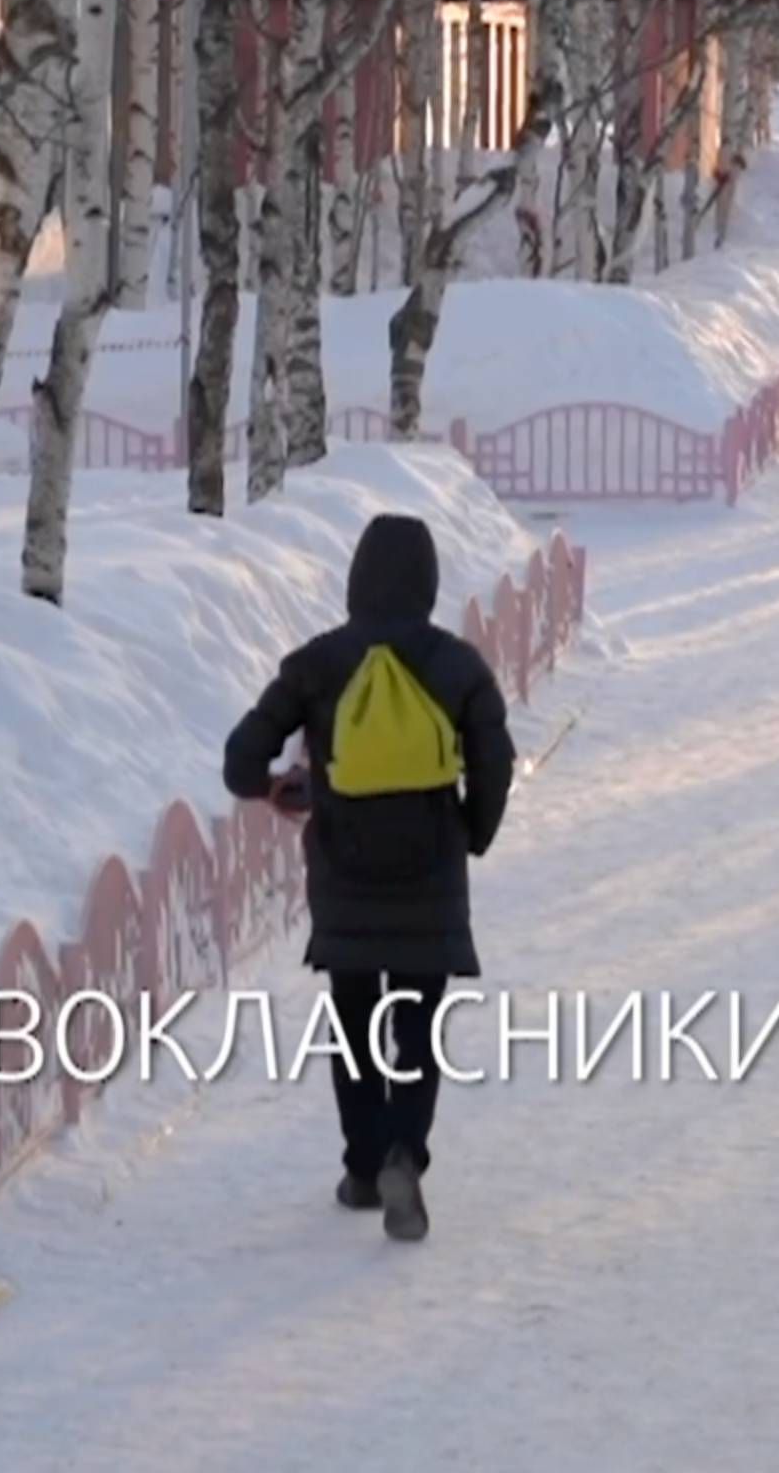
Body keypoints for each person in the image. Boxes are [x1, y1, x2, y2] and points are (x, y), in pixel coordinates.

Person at [223, 514, 515, 1243]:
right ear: (427, 584)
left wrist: (289, 789)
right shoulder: (457, 666)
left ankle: (359, 1169)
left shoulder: (316, 664)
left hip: (344, 874)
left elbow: (239, 760)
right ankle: (403, 1156)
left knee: (353, 1022)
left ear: (356, 580)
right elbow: (495, 761)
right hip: (431, 873)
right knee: (416, 1024)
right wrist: (472, 831)